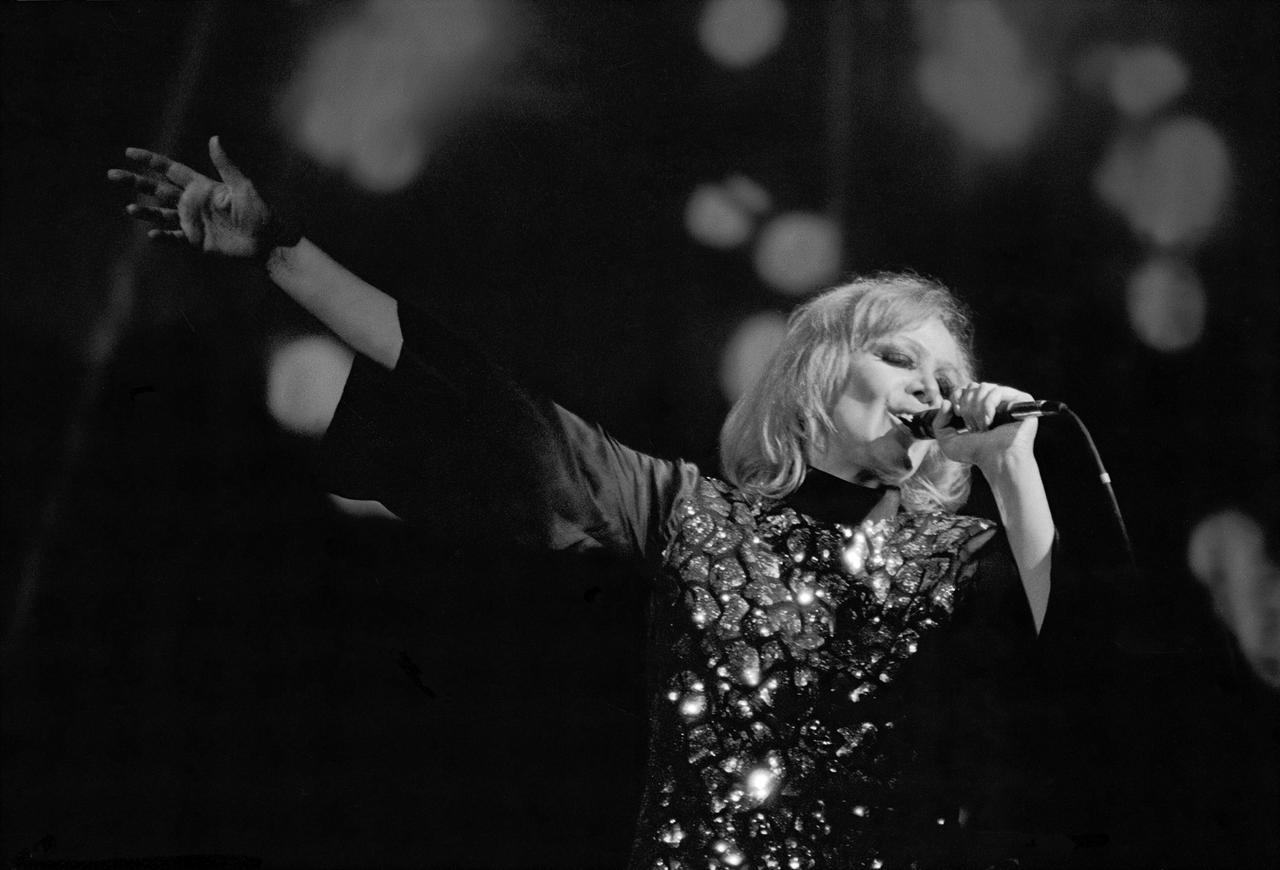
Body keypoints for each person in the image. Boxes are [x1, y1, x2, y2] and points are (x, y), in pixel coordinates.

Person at [110, 137, 1062, 870]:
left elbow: (1090, 674)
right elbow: (485, 400)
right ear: (817, 377)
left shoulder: (963, 556)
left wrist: (1016, 471)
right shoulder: (693, 516)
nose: (926, 388)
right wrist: (280, 249)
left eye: (946, 374)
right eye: (898, 357)